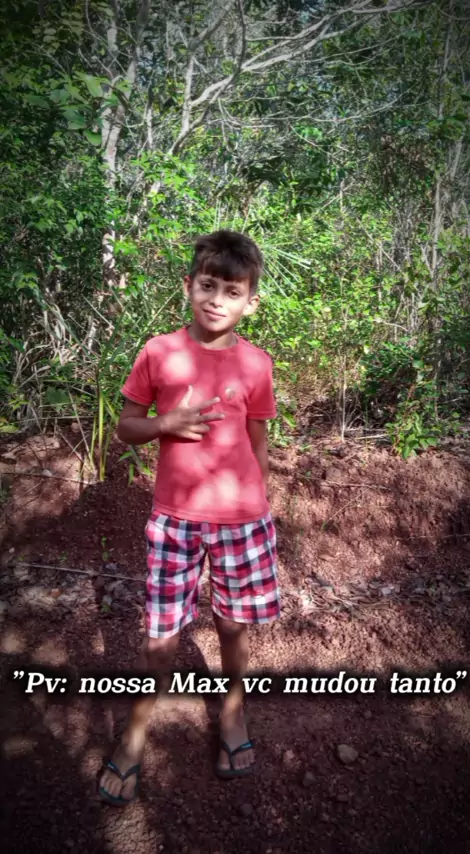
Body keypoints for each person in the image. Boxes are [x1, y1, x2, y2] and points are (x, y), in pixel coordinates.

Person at [98, 229, 280, 805]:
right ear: (189, 286)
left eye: (232, 291)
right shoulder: (159, 352)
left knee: (231, 626)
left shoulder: (257, 363)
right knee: (160, 639)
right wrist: (165, 424)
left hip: (242, 520)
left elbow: (258, 440)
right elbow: (126, 427)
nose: (217, 300)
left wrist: (259, 505)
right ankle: (133, 737)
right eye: (208, 285)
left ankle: (232, 715)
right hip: (175, 520)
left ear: (251, 301)